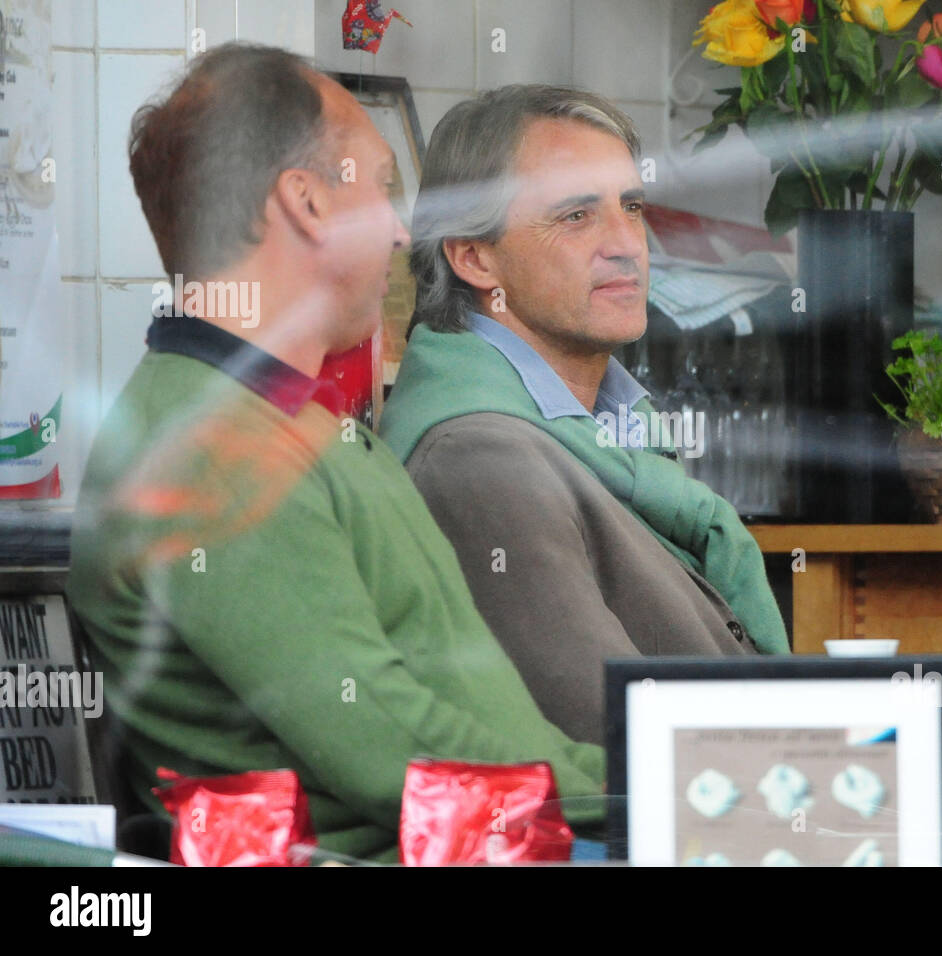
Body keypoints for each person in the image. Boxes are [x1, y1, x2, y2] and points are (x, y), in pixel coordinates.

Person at [65, 45, 604, 862]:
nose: (397, 228)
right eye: (382, 187)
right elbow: (388, 747)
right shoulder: (211, 450)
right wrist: (636, 789)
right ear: (308, 202)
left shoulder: (282, 421)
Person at [378, 85, 789, 748]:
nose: (627, 244)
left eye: (631, 207)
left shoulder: (600, 426)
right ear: (474, 257)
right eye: (576, 216)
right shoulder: (479, 459)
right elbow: (606, 738)